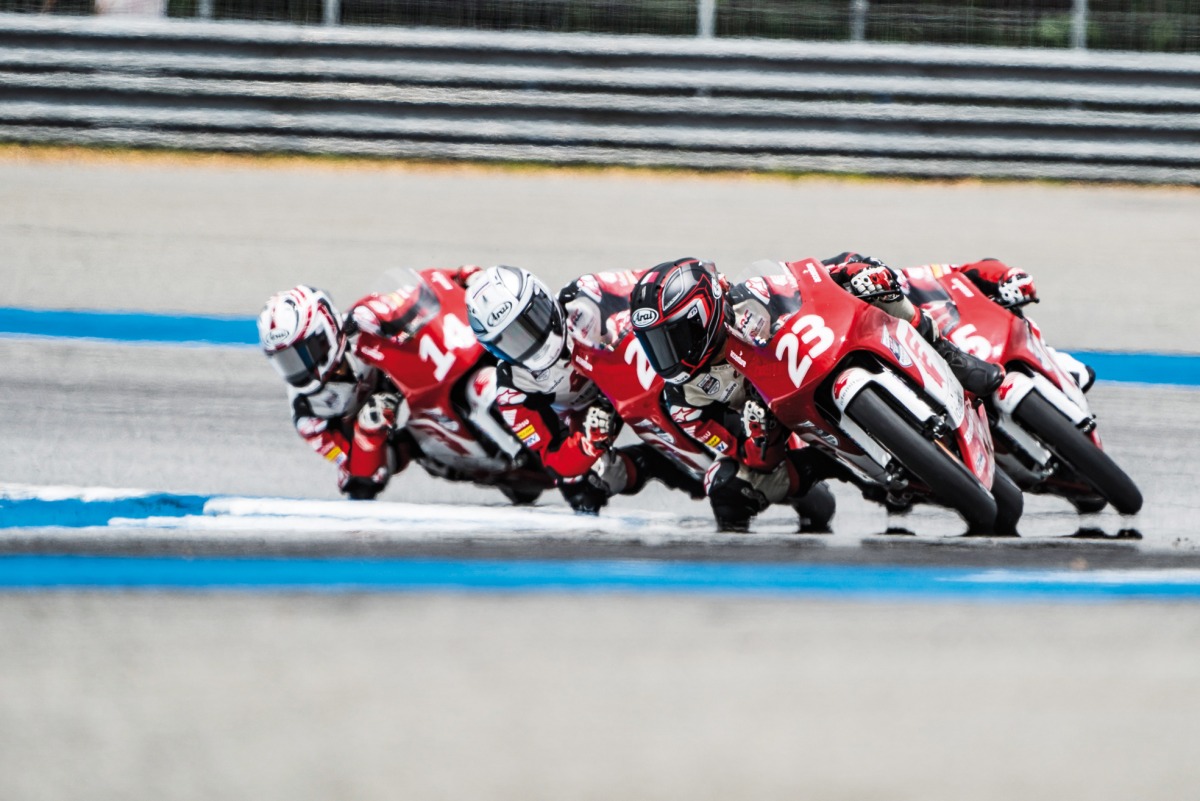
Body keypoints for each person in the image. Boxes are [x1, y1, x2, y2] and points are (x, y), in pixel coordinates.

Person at [464, 265, 703, 514]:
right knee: (584, 489)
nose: (531, 342)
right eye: (512, 340)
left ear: (543, 298)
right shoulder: (513, 388)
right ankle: (660, 465)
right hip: (590, 416)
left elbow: (653, 283)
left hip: (633, 368)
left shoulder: (587, 294)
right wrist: (588, 442)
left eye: (532, 321)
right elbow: (553, 459)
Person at [628, 257, 841, 532]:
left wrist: (850, 269)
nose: (666, 352)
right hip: (793, 439)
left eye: (674, 336)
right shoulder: (684, 401)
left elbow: (813, 279)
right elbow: (745, 454)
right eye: (654, 342)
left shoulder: (751, 296)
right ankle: (805, 500)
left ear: (701, 316)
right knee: (722, 484)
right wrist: (760, 434)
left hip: (823, 377)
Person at [258, 285, 405, 500]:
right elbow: (347, 463)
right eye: (286, 361)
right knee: (360, 483)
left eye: (300, 356)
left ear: (323, 335)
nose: (296, 369)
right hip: (374, 423)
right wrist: (368, 433)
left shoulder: (362, 319)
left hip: (409, 374)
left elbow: (419, 304)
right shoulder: (307, 415)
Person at [905, 257, 1095, 392]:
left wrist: (1007, 276)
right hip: (951, 367)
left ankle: (1052, 369)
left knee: (1082, 375)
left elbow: (981, 269)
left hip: (988, 334)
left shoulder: (921, 276)